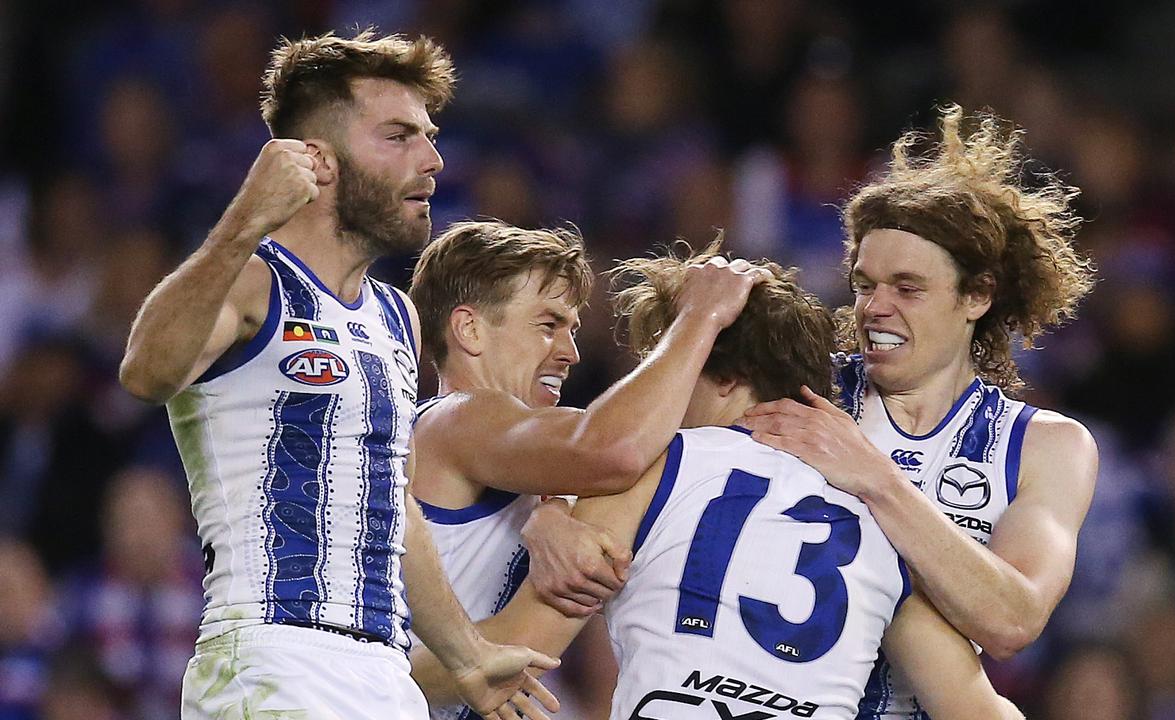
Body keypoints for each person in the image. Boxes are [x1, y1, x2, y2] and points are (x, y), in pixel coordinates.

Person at [118, 30, 555, 720]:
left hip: (383, 670)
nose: (433, 160)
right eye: (398, 136)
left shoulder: (396, 316)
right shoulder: (251, 281)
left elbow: (394, 507)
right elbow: (146, 370)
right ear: (317, 161)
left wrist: (467, 655)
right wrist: (242, 222)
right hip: (269, 657)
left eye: (430, 136)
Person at [412, 246, 1024, 720]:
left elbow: (509, 656)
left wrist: (348, 665)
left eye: (673, 367)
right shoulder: (887, 527)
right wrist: (545, 514)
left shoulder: (650, 468)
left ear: (722, 376)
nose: (662, 396)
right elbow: (978, 709)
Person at [739, 104, 1100, 718]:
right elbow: (643, 466)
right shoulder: (795, 390)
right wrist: (558, 512)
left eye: (908, 288)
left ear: (977, 296)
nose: (875, 307)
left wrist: (874, 478)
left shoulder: (1044, 445)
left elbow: (1012, 618)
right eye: (863, 285)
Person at [405, 221, 771, 718]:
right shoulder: (455, 417)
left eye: (572, 330)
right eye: (547, 325)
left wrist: (553, 510)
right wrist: (700, 316)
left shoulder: (512, 457)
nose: (570, 352)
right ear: (470, 329)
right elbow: (614, 451)